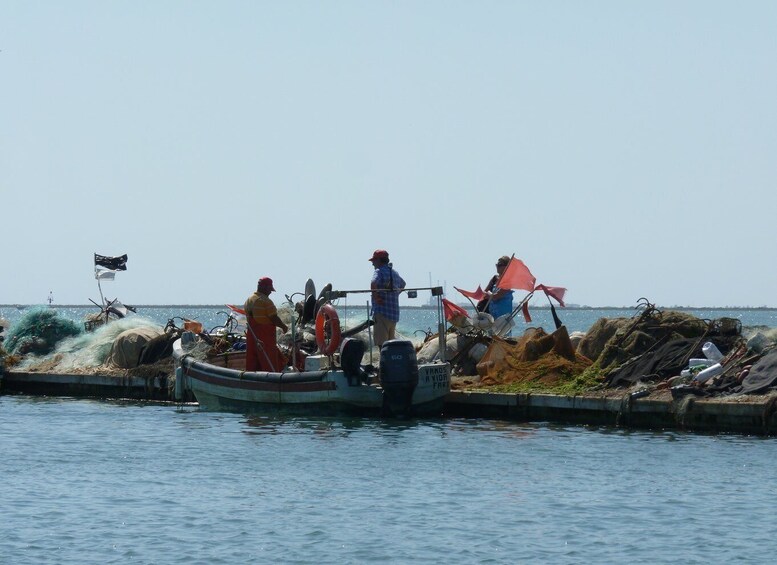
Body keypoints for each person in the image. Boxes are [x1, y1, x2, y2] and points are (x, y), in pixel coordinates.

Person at [244, 277, 288, 372]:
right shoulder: (265, 301)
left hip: (252, 337)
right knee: (269, 362)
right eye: (269, 290)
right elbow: (274, 318)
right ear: (264, 288)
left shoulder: (249, 300)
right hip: (264, 340)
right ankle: (272, 382)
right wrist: (284, 327)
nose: (270, 292)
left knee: (253, 362)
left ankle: (251, 380)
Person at [369, 249, 406, 347]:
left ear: (379, 260)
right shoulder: (395, 273)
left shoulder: (379, 271)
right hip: (393, 314)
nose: (373, 264)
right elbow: (403, 284)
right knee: (390, 344)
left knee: (381, 344)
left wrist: (376, 298)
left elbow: (373, 283)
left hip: (382, 312)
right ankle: (391, 361)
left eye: (374, 261)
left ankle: (383, 362)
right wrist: (395, 293)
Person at [483, 255, 515, 322]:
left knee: (502, 332)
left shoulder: (508, 282)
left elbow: (496, 296)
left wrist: (489, 294)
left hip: (503, 319)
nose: (497, 267)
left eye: (500, 265)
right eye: (497, 264)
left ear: (507, 267)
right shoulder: (494, 279)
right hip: (492, 316)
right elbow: (484, 293)